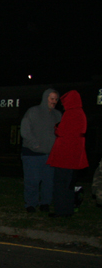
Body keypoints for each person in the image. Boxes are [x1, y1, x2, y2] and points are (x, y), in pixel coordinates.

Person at [47, 90, 88, 218]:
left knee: (60, 184)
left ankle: (61, 211)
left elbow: (61, 131)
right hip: (73, 154)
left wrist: (56, 127)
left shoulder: (71, 113)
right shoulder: (81, 113)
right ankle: (68, 210)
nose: (63, 105)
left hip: (64, 155)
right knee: (69, 184)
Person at [20, 89, 61, 212]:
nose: (53, 101)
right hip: (32, 154)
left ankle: (45, 203)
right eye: (51, 98)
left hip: (50, 154)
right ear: (45, 98)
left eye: (56, 99)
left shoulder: (57, 115)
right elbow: (25, 129)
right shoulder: (33, 111)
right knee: (32, 180)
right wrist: (34, 144)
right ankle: (31, 204)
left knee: (48, 181)